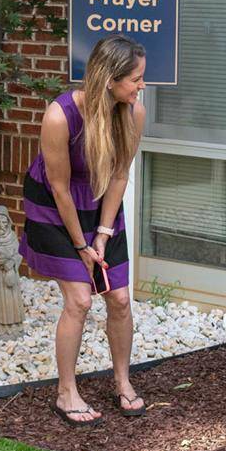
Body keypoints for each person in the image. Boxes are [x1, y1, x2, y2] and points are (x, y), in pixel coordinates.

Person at [19, 35, 146, 426]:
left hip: (101, 201)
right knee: (79, 299)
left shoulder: (132, 112)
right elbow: (58, 187)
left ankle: (122, 381)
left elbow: (121, 174)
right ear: (110, 79)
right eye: (136, 79)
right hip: (57, 208)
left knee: (120, 298)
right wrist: (81, 245)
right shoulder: (60, 115)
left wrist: (103, 234)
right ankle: (66, 392)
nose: (142, 86)